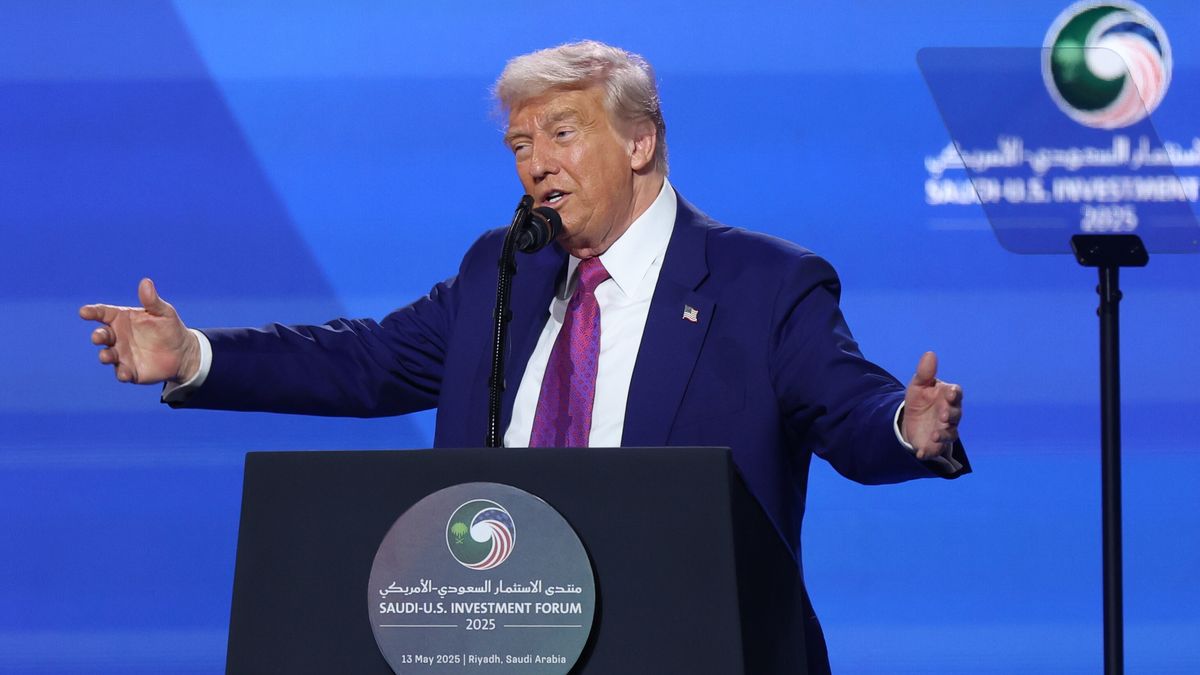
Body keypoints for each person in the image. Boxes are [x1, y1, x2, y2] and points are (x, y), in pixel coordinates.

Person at [80, 40, 967, 672]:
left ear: (639, 141)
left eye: (562, 134)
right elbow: (367, 361)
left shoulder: (763, 282)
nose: (535, 163)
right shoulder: (500, 270)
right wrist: (194, 353)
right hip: (496, 631)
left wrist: (905, 425)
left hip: (692, 641)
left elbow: (847, 411)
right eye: (519, 143)